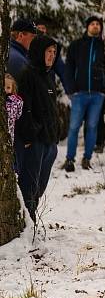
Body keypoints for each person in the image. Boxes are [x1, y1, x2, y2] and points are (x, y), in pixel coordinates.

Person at [15, 34, 59, 222]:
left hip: (50, 142)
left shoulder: (49, 76)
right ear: (39, 52)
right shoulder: (28, 75)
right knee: (29, 185)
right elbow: (24, 109)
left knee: (40, 186)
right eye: (48, 51)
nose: (52, 55)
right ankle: (28, 222)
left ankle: (32, 216)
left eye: (54, 52)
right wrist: (30, 136)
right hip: (35, 141)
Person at [63, 15, 105, 171]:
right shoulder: (76, 45)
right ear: (87, 26)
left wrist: (104, 91)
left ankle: (87, 158)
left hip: (97, 94)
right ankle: (69, 159)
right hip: (79, 94)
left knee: (92, 126)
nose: (95, 26)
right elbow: (68, 67)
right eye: (92, 24)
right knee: (74, 127)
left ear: (100, 28)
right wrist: (70, 90)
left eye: (98, 24)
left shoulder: (104, 46)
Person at [34, 17, 67, 88]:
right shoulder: (29, 44)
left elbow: (61, 69)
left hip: (48, 84)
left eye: (43, 28)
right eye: (39, 28)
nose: (41, 30)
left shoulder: (51, 46)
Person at [5, 74, 24, 140]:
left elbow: (18, 115)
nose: (5, 90)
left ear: (12, 89)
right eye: (3, 86)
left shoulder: (15, 101)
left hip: (10, 132)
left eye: (8, 88)